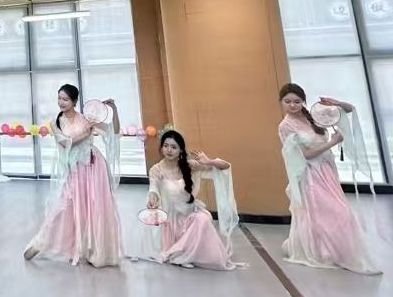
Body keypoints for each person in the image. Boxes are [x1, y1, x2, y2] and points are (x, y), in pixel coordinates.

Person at [278, 83, 380, 275]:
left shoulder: (314, 116)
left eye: (297, 101)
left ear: (303, 101)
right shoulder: (285, 126)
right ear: (281, 102)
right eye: (287, 101)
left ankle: (333, 251)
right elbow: (305, 155)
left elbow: (350, 110)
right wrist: (333, 142)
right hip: (309, 175)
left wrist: (336, 103)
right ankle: (327, 252)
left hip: (327, 172)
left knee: (333, 214)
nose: (292, 105)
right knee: (334, 213)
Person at [24, 84, 123, 267]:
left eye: (65, 99)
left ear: (75, 101)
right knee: (65, 205)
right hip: (76, 169)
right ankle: (41, 243)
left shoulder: (86, 118)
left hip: (95, 167)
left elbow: (113, 131)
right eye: (59, 98)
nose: (61, 102)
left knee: (96, 207)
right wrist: (86, 134)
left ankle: (96, 251)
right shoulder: (56, 122)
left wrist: (114, 110)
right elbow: (64, 143)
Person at [145, 130, 242, 270]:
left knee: (203, 218)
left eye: (174, 147)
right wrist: (152, 199)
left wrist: (210, 161)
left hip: (189, 214)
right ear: (161, 148)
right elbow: (153, 188)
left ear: (181, 150)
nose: (169, 150)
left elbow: (226, 167)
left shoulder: (190, 166)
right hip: (171, 219)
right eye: (166, 146)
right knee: (199, 220)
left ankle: (183, 256)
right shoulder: (156, 169)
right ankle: (179, 255)